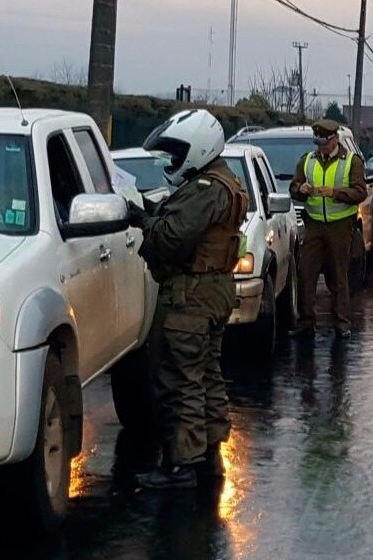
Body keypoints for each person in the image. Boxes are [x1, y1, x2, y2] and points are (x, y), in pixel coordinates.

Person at [126, 109, 249, 490]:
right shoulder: (222, 181)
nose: (171, 164)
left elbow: (170, 239)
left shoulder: (205, 189)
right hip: (212, 291)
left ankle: (181, 463)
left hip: (191, 295)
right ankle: (209, 457)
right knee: (206, 373)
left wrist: (143, 222)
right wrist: (150, 211)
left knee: (180, 379)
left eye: (176, 155)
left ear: (197, 150)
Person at [287, 119, 368, 339]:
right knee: (306, 272)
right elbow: (293, 188)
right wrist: (301, 189)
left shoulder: (352, 161)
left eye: (324, 143)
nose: (320, 147)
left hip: (341, 225)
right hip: (313, 223)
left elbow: (360, 192)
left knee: (338, 275)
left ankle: (341, 322)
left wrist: (335, 192)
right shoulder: (307, 160)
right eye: (317, 143)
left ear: (334, 140)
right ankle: (306, 321)